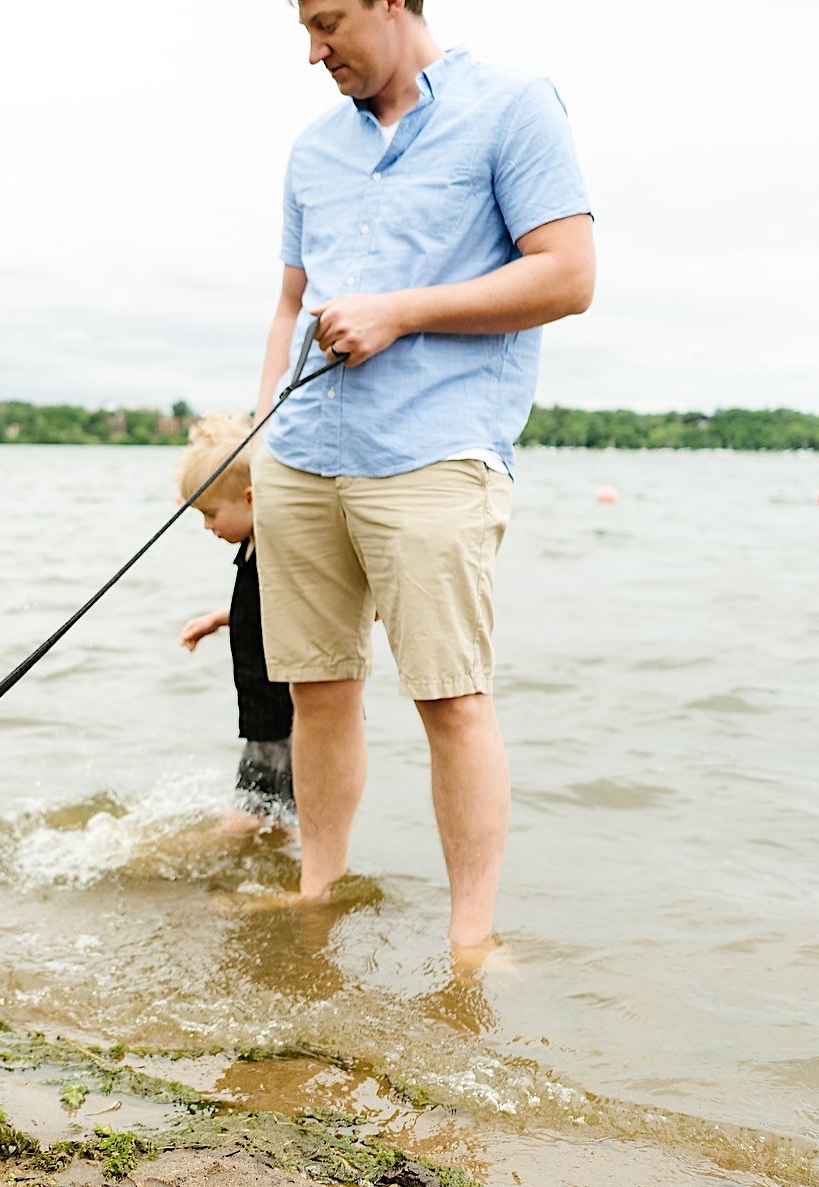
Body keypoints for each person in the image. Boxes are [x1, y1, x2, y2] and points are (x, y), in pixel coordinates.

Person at [253, 0, 596, 949]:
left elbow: (568, 276)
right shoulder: (313, 148)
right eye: (303, 31)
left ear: (395, 3)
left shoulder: (516, 106)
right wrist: (258, 429)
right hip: (301, 451)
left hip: (436, 451)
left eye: (328, 24)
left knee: (449, 696)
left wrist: (401, 311)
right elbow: (291, 301)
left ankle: (469, 941)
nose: (314, 52)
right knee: (316, 691)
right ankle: (317, 889)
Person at [174, 413, 296, 836]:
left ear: (250, 498)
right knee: (267, 819)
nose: (208, 527)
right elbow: (260, 608)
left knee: (269, 817)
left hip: (288, 716)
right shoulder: (247, 547)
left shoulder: (275, 550)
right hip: (261, 716)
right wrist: (217, 619)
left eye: (210, 514)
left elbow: (303, 605)